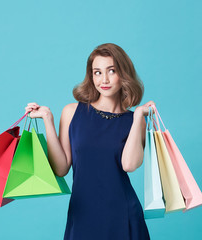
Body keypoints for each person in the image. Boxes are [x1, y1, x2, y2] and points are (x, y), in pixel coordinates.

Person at [24, 43, 153, 239]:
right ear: (91, 76)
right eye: (97, 72)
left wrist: (137, 118)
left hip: (123, 215)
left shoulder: (135, 121)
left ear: (123, 74)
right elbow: (61, 169)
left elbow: (129, 164)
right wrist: (47, 120)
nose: (105, 79)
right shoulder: (72, 112)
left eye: (112, 71)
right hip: (82, 214)